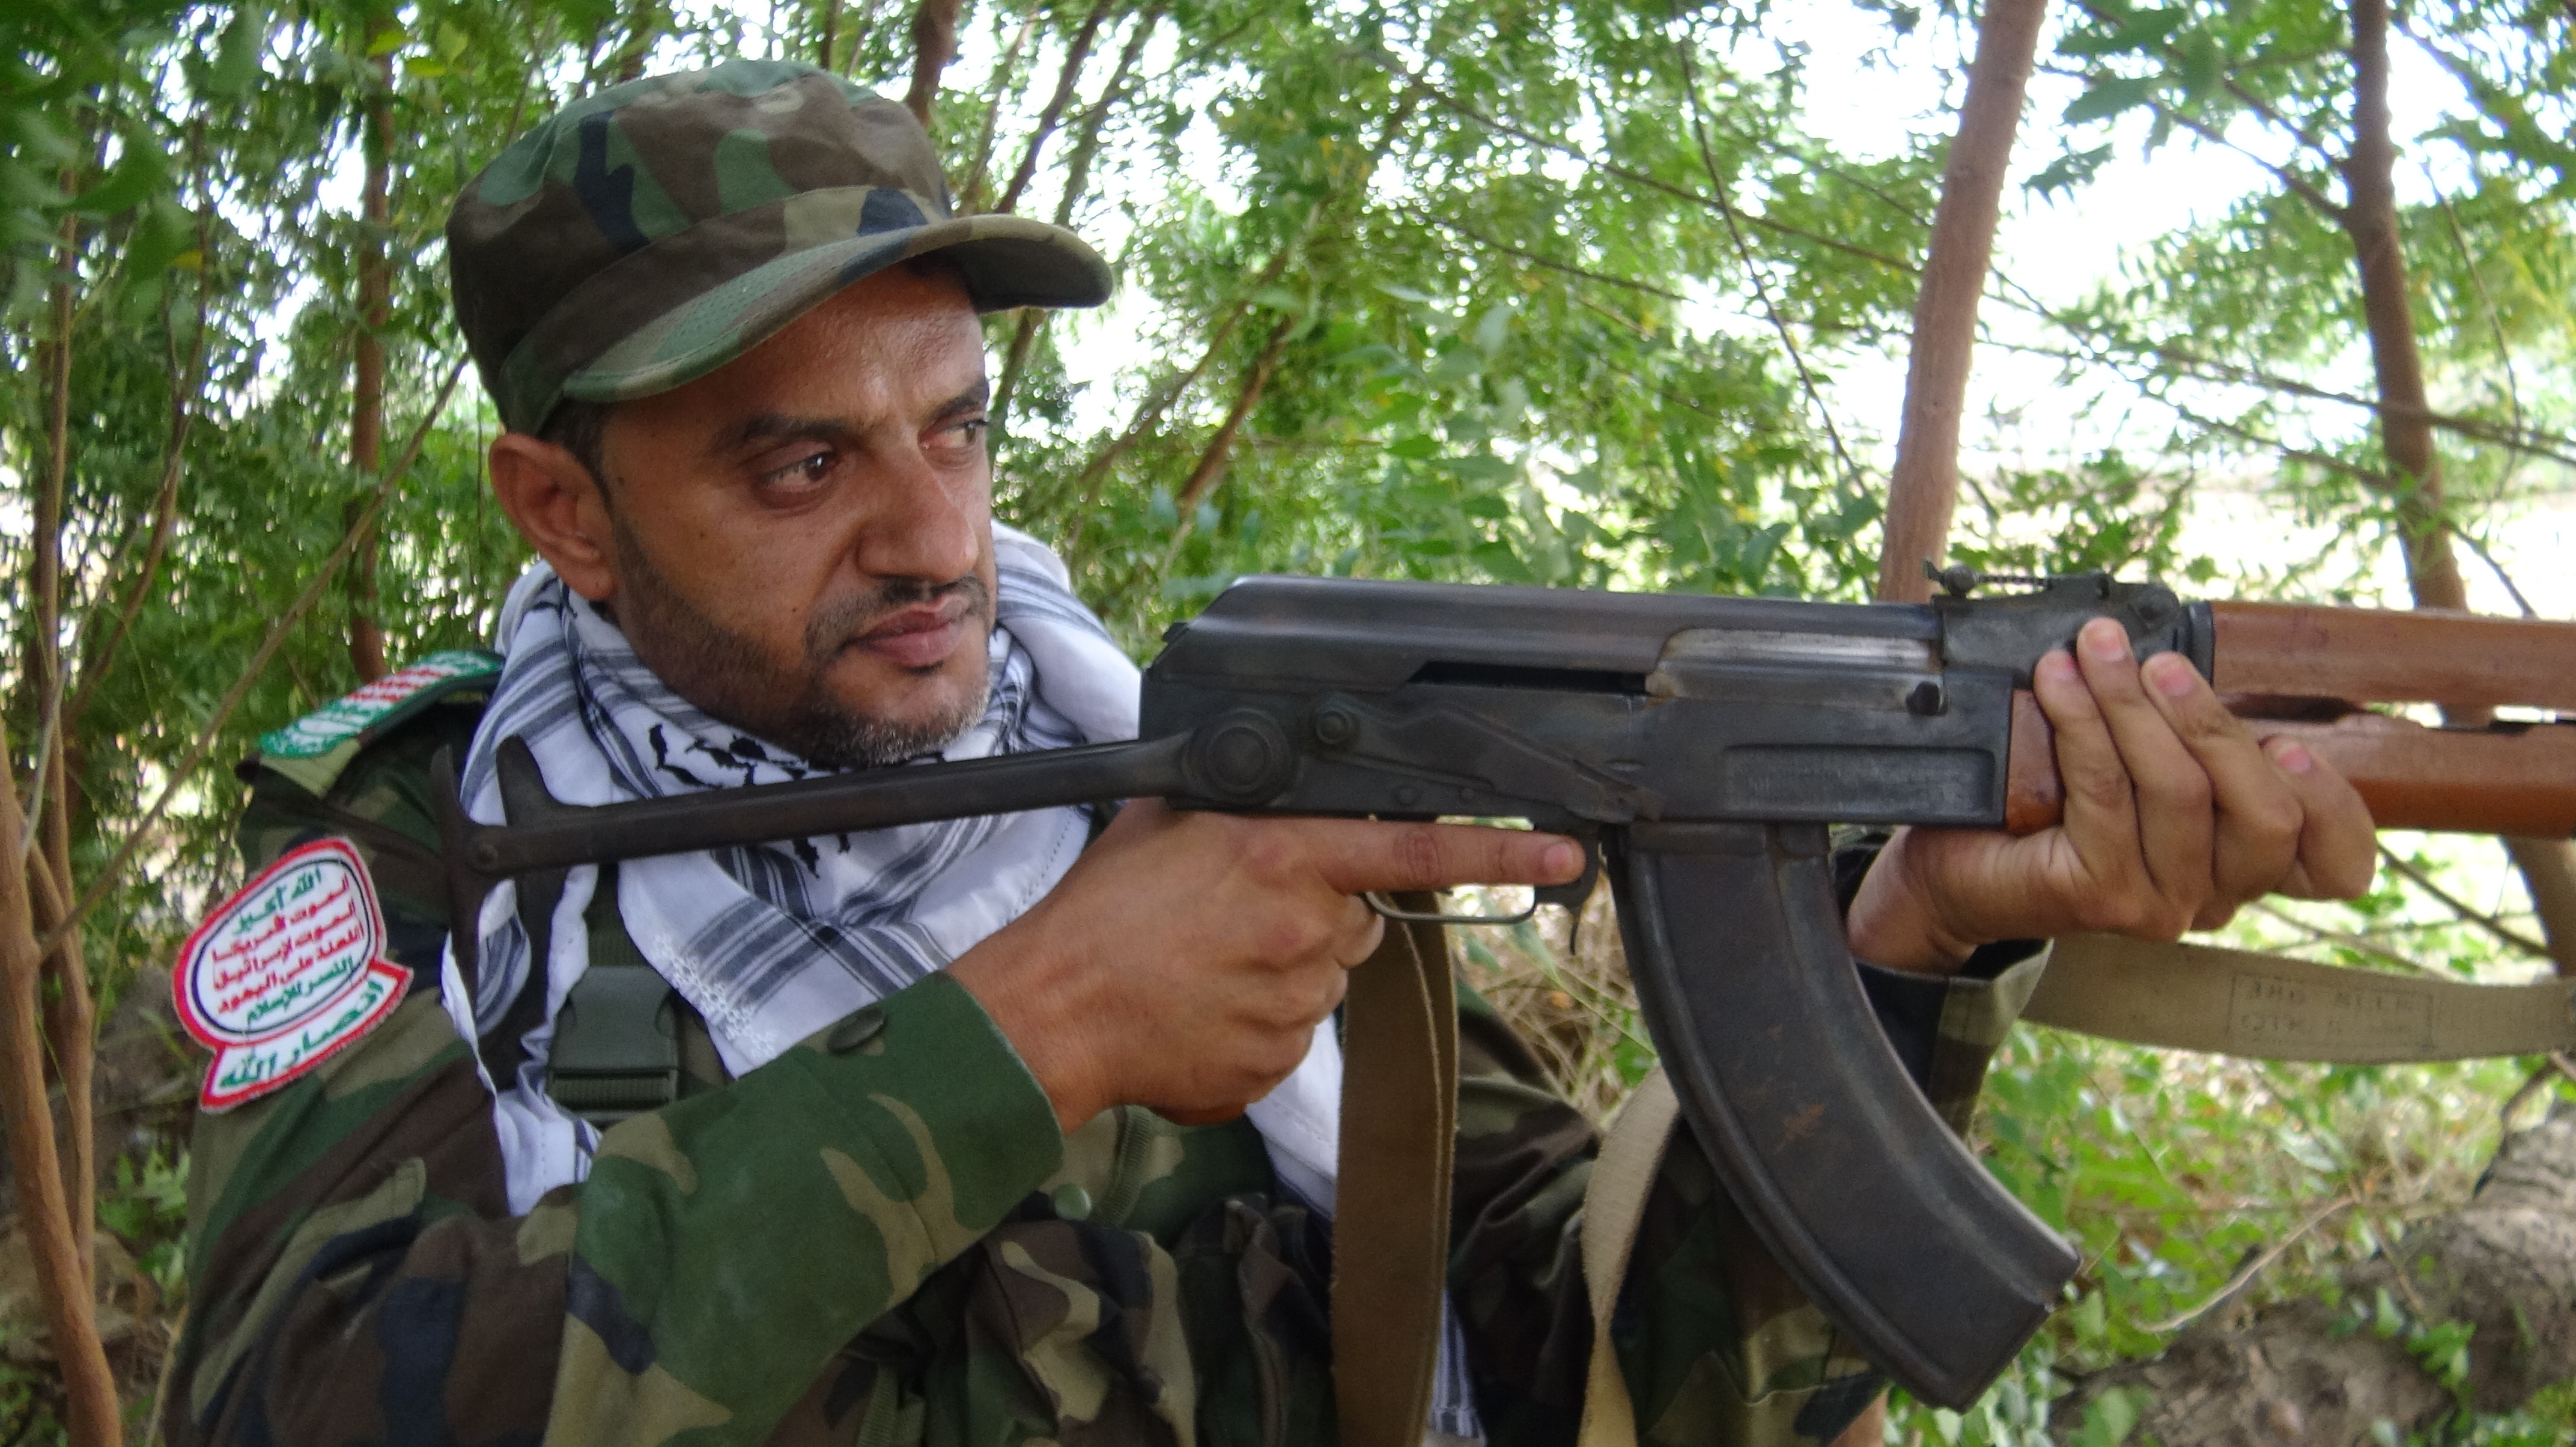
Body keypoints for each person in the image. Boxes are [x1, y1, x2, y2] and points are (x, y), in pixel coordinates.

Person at [161, 58, 2377, 1447]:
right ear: (563, 509)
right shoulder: (425, 859)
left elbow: (1608, 1373)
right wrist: (1036, 1025)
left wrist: (1903, 953)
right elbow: (295, 1411)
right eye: (801, 465)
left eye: (956, 430)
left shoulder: (1176, 769)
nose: (934, 538)